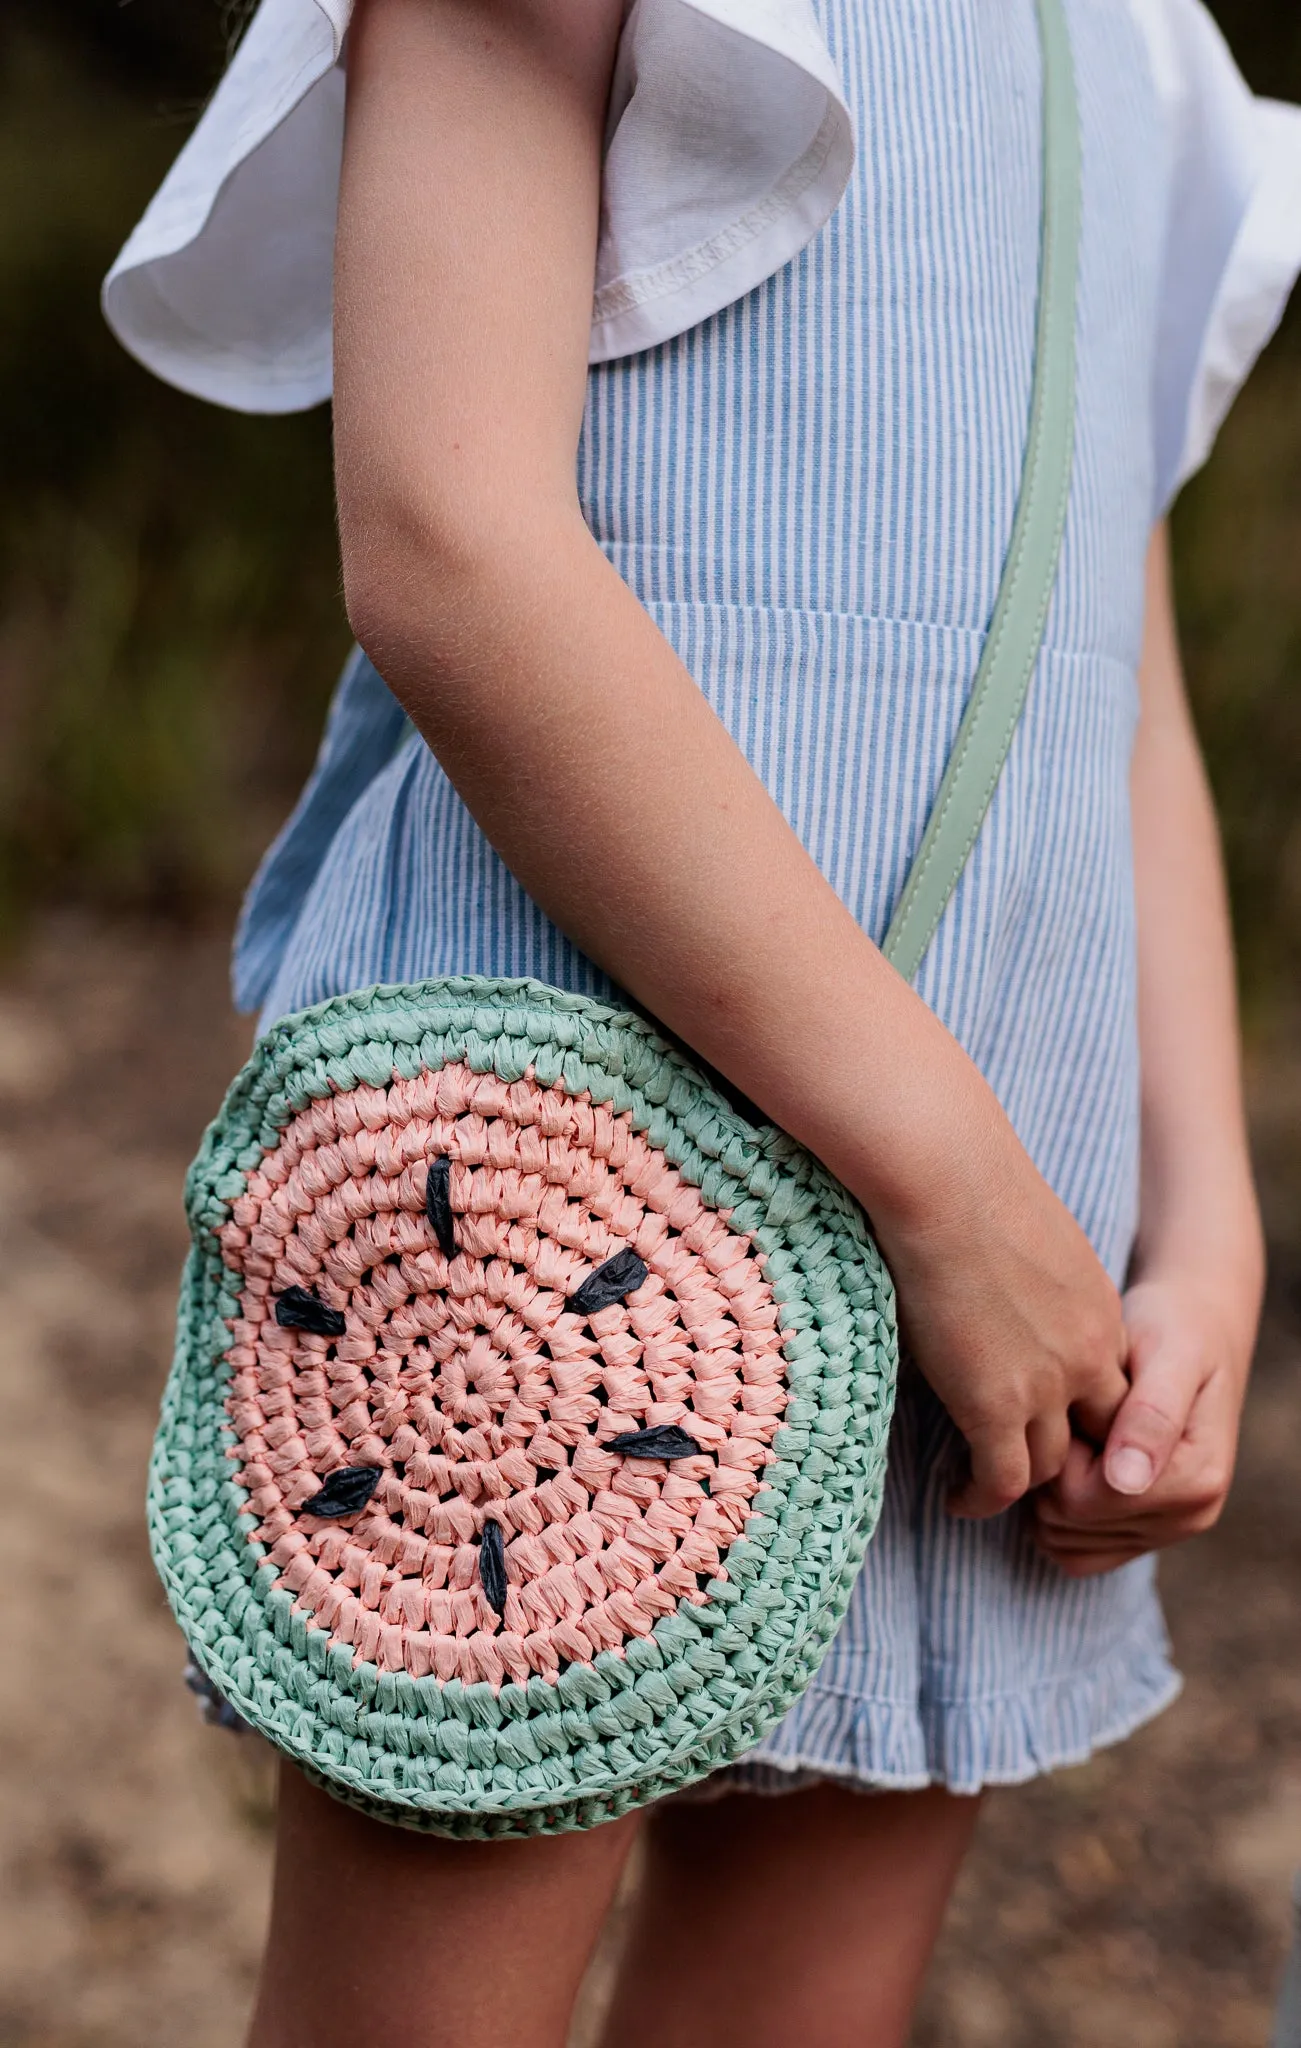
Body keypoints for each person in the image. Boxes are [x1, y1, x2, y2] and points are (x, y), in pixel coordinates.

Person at [104, 1, 1300, 2041]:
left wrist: (1201, 1222)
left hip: (1008, 1265)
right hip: (569, 1223)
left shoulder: (1138, 48)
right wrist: (941, 1185)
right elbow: (448, 539)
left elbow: (1114, 671)